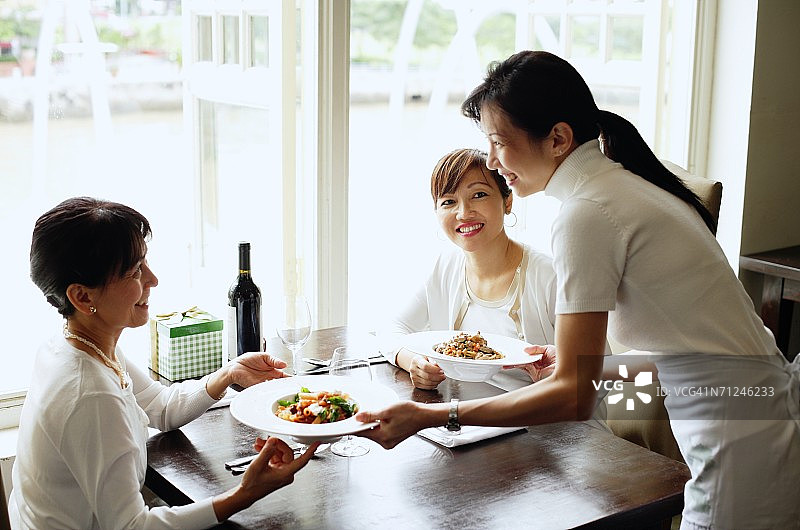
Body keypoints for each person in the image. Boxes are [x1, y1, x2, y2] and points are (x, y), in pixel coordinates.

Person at [357, 51, 800, 529]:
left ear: (558, 138)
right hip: (761, 408)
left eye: (498, 143)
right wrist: (593, 369)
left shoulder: (586, 213)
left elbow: (574, 397)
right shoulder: (622, 187)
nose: (491, 161)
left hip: (738, 438)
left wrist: (436, 416)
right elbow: (693, 352)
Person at [9, 197, 319, 528]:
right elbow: (132, 526)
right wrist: (244, 494)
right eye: (134, 271)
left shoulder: (77, 344)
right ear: (83, 297)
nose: (152, 279)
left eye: (145, 263)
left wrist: (230, 372)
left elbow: (160, 407)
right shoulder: (91, 393)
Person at [384, 147, 560, 391]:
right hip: (464, 418)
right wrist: (413, 361)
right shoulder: (444, 267)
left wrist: (561, 377)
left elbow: (606, 378)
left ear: (507, 201)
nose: (464, 213)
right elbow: (391, 330)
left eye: (479, 194)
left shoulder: (552, 277)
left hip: (544, 421)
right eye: (448, 202)